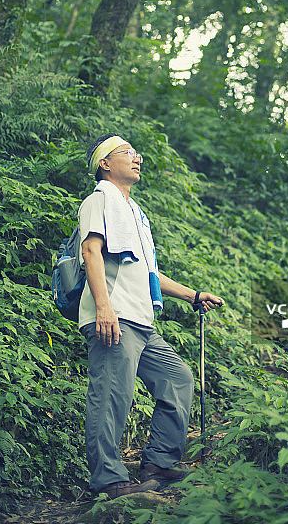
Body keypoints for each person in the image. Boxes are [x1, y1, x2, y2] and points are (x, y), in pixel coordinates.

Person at [78, 133, 224, 499]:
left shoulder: (134, 214)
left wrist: (193, 296)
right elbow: (91, 252)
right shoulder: (99, 200)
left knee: (178, 378)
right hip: (114, 316)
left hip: (141, 319)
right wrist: (103, 307)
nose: (137, 158)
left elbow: (148, 273)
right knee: (111, 395)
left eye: (136, 153)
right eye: (127, 152)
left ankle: (158, 462)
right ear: (105, 163)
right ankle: (108, 479)